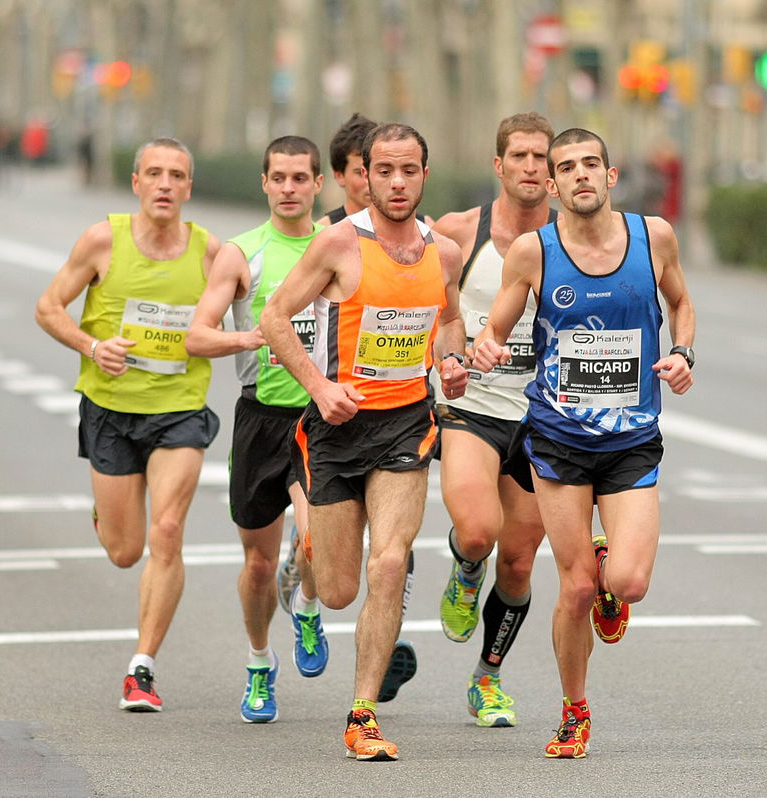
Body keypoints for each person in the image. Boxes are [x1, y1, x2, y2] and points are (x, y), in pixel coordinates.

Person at [472, 127, 696, 758]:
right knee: (573, 588)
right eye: (564, 167)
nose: (578, 175)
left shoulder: (653, 237)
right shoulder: (532, 251)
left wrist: (681, 354)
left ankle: (607, 569)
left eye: (589, 164)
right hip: (558, 440)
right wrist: (484, 349)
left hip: (631, 439)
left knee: (627, 583)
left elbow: (681, 304)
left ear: (610, 174)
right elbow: (494, 331)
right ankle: (574, 709)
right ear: (551, 184)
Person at [260, 123, 469, 761]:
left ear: (424, 174)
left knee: (390, 562)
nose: (397, 183)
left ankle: (363, 714)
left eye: (409, 170)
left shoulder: (447, 253)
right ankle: (301, 572)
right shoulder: (337, 245)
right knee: (340, 586)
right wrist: (320, 387)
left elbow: (451, 318)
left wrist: (452, 362)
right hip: (335, 428)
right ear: (366, 177)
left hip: (406, 422)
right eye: (385, 171)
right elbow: (274, 318)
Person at [35, 137, 221, 712]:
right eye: (155, 174)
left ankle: (142, 667)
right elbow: (47, 307)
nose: (166, 185)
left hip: (179, 410)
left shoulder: (210, 253)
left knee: (167, 532)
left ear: (189, 188)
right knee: (124, 550)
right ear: (136, 182)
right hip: (111, 411)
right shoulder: (101, 240)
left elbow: (262, 307)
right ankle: (107, 510)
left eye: (178, 176)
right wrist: (93, 346)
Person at [185, 136, 327, 724]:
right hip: (261, 419)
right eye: (280, 178)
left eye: (301, 178)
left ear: (320, 184)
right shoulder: (243, 253)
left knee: (319, 538)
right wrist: (253, 337)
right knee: (260, 565)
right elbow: (197, 334)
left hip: (322, 416)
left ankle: (311, 607)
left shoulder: (340, 246)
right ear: (264, 184)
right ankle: (259, 663)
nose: (290, 189)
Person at [428, 112, 556, 728]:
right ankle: (463, 567)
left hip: (542, 421)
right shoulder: (456, 232)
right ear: (499, 165)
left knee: (522, 562)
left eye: (542, 158)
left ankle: (488, 677)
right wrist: (452, 357)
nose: (531, 167)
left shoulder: (572, 240)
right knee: (479, 532)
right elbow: (428, 312)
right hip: (471, 408)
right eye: (521, 156)